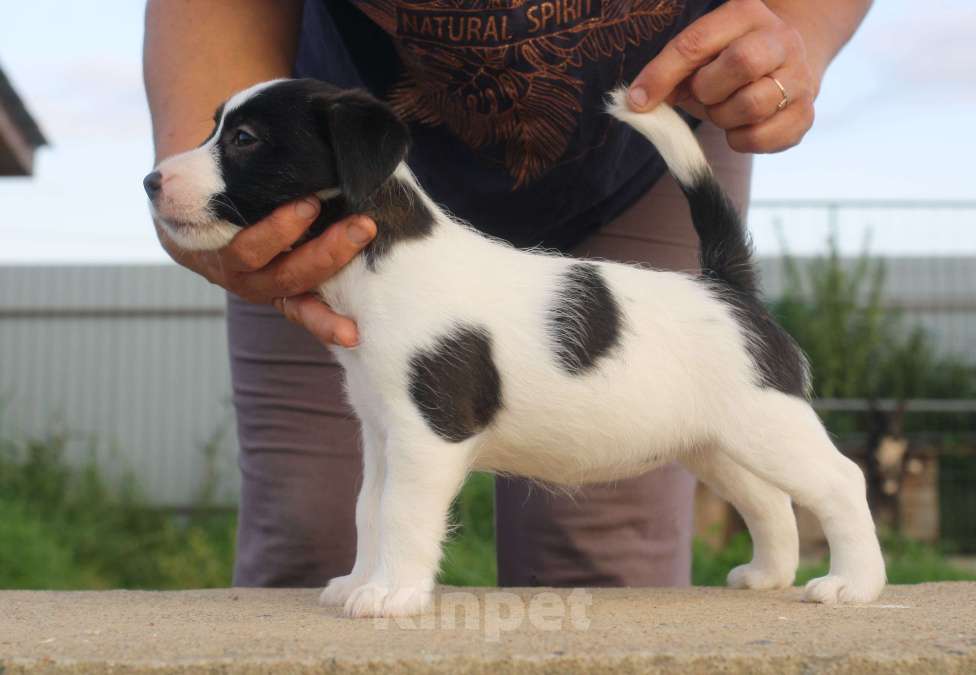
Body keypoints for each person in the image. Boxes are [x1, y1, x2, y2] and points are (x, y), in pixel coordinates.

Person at [144, 0, 872, 588]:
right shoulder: (407, 291)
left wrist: (797, 24)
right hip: (377, 136)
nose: (189, 163)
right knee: (308, 525)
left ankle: (852, 549)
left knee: (739, 456)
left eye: (235, 142)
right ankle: (776, 558)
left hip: (656, 168)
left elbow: (435, 439)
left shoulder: (426, 309)